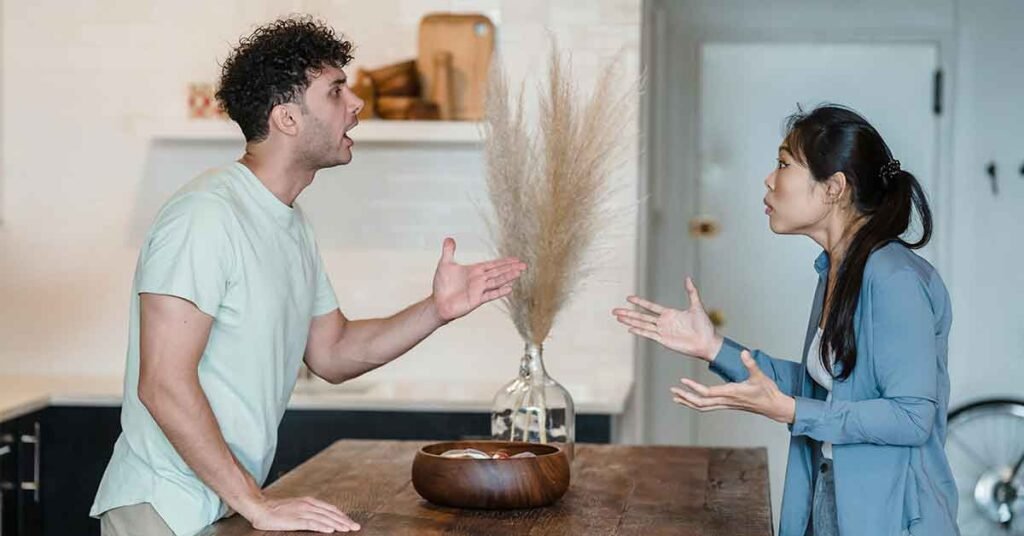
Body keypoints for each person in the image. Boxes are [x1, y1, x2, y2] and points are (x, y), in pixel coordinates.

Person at [90, 17, 526, 535]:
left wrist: (436, 310)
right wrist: (257, 503)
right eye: (336, 91)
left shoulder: (290, 223)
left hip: (222, 503)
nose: (356, 103)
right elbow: (162, 383)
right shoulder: (204, 216)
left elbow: (333, 352)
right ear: (287, 119)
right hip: (163, 508)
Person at [613, 105, 958, 535]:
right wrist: (714, 347)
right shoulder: (836, 270)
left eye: (783, 164)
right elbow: (826, 393)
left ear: (834, 188)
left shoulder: (894, 279)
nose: (769, 179)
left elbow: (911, 417)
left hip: (890, 517)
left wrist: (793, 411)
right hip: (829, 492)